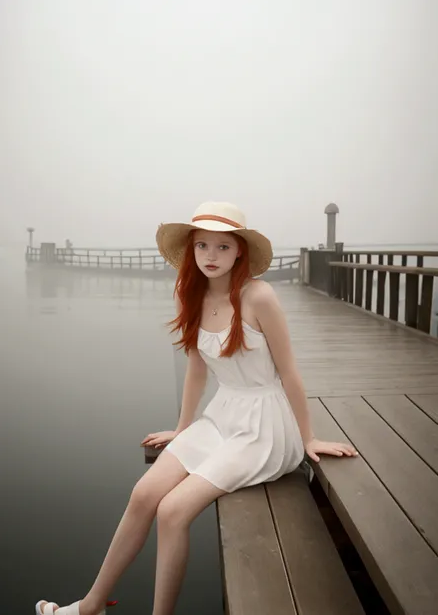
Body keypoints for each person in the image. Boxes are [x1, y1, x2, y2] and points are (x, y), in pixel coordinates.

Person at [36, 201, 358, 615]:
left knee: (172, 511)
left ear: (240, 250)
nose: (210, 256)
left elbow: (290, 374)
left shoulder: (259, 297)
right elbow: (196, 372)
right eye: (202, 245)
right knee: (144, 493)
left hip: (264, 427)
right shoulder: (188, 293)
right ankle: (91, 606)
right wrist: (182, 428)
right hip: (222, 415)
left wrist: (308, 436)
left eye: (222, 247)